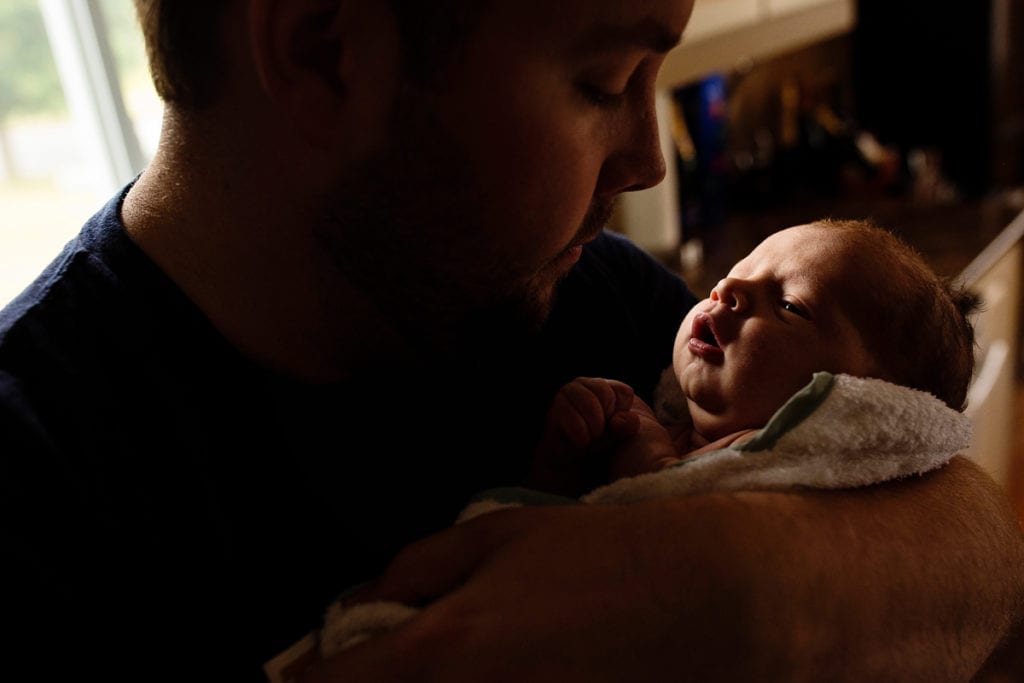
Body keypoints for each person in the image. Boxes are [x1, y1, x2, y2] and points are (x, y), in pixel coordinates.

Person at [0, 1, 1021, 681]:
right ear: (323, 49)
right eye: (602, 80)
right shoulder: (42, 479)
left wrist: (741, 583)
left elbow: (962, 517)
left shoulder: (585, 292)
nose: (645, 161)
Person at [530, 218, 981, 495]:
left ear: (861, 404)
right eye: (738, 271)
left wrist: (645, 452)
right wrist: (567, 457)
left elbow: (666, 511)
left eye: (789, 305)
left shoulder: (789, 468)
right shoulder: (684, 428)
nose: (726, 290)